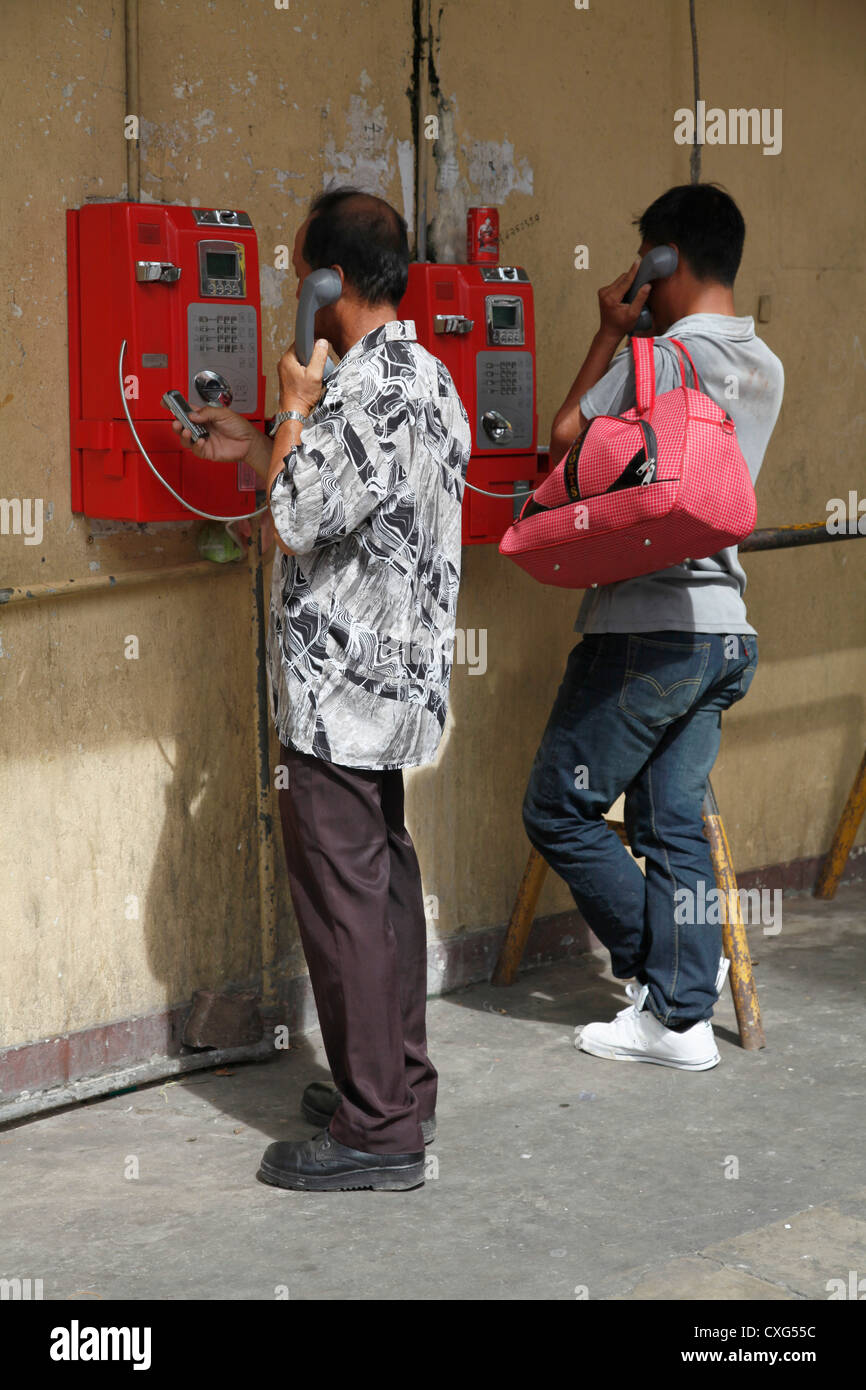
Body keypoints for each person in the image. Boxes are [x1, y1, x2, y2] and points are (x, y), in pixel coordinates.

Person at [173, 187, 471, 1188]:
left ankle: (377, 1133)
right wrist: (263, 444)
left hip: (337, 699)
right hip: (394, 697)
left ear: (326, 283)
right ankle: (395, 1084)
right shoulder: (425, 378)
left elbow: (294, 521)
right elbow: (350, 505)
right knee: (383, 889)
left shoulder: (351, 396)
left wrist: (292, 408)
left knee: (344, 907)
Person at [523, 184, 784, 1070]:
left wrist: (610, 331)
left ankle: (678, 971)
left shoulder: (657, 359)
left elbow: (561, 440)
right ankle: (678, 1020)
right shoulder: (765, 367)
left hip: (647, 627)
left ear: (662, 260)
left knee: (559, 806)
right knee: (671, 821)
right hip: (724, 632)